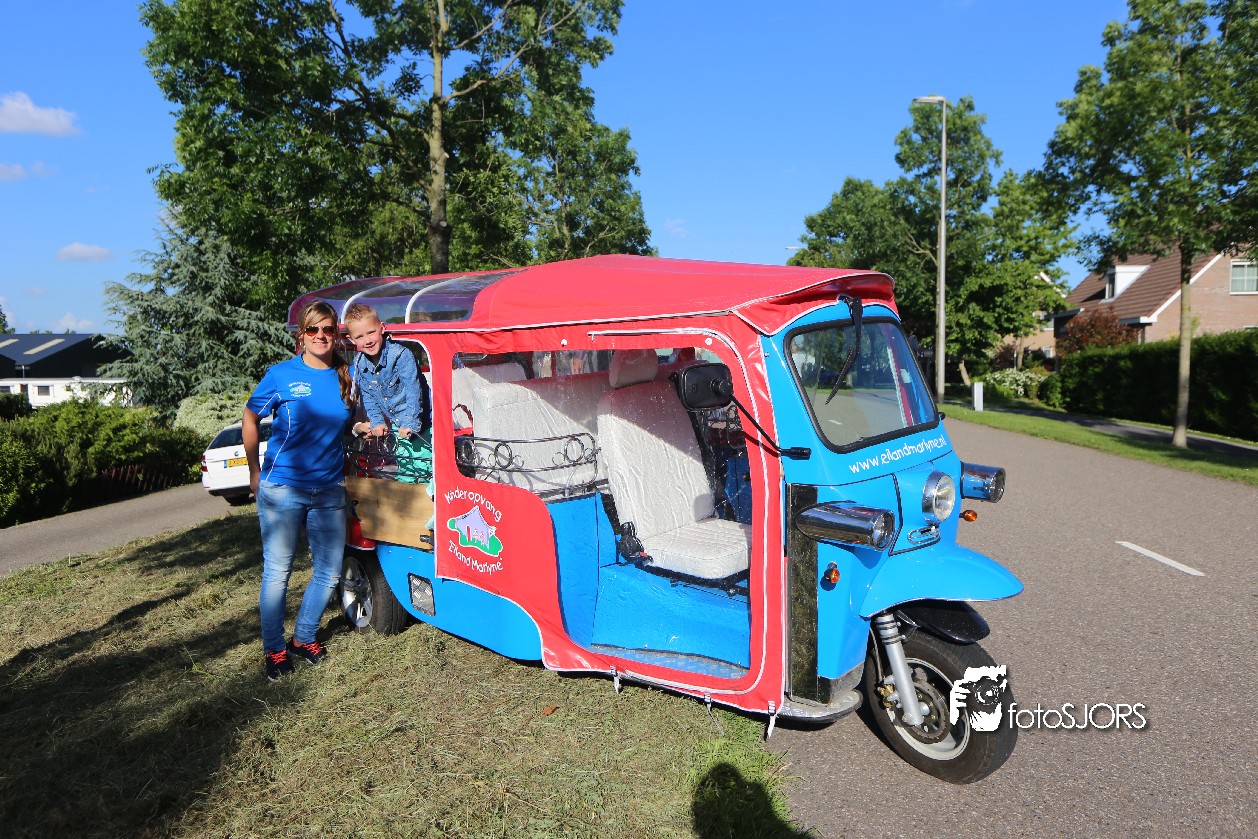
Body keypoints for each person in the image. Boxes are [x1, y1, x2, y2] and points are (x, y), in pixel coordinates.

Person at [244, 301, 355, 682]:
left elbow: (351, 424)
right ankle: (274, 649)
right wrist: (254, 470)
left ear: (336, 334)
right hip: (283, 488)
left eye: (328, 330)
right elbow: (250, 416)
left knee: (329, 572)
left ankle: (303, 638)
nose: (321, 336)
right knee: (278, 572)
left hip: (329, 488)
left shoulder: (347, 375)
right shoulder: (281, 375)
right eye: (313, 330)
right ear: (301, 336)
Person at [344, 303, 426, 441]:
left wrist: (410, 423)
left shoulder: (400, 355)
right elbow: (368, 396)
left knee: (424, 455)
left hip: (420, 423)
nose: (367, 341)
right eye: (359, 337)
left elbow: (413, 391)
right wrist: (377, 421)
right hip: (397, 425)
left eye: (371, 332)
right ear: (351, 340)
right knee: (401, 455)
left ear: (382, 328)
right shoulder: (360, 363)